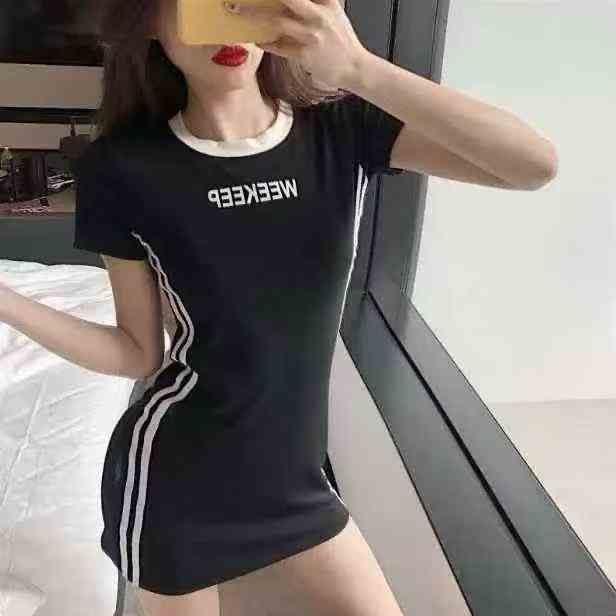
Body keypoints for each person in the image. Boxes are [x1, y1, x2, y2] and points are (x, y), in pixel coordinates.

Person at [0, 0, 407, 614]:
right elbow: (138, 353)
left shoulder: (340, 129)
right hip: (176, 487)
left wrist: (357, 66)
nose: (228, 22)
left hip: (298, 486)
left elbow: (533, 163)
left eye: (245, 3)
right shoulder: (122, 166)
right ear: (151, 21)